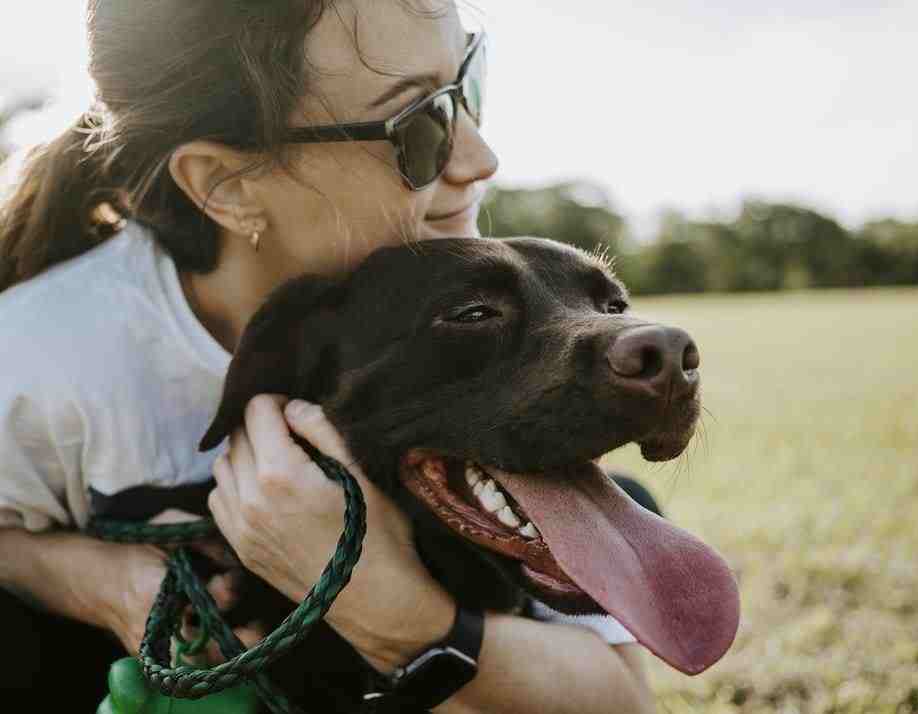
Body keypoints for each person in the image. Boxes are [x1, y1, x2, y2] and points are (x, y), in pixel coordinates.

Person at [0, 1, 658, 711]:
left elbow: (619, 701)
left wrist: (382, 600)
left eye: (470, 80)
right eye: (419, 126)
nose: (480, 157)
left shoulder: (464, 272)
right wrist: (106, 582)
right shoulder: (39, 359)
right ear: (227, 185)